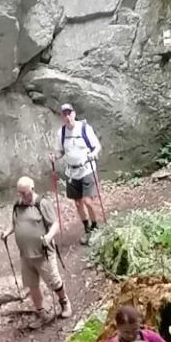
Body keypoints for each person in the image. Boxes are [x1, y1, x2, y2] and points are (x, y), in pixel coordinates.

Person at [4, 176, 69, 320]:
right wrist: (7, 232)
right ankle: (42, 312)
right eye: (20, 193)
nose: (22, 196)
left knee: (53, 281)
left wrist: (48, 237)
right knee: (32, 284)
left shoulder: (42, 204)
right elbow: (14, 223)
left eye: (25, 193)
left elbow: (55, 224)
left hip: (43, 252)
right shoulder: (17, 205)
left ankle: (64, 302)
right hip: (25, 254)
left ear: (32, 189)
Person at [54, 101, 101, 241]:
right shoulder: (61, 132)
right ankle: (87, 228)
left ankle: (95, 226)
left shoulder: (85, 128)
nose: (67, 117)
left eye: (69, 113)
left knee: (87, 201)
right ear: (62, 117)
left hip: (87, 169)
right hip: (71, 173)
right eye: (64, 114)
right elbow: (60, 151)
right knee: (78, 203)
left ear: (74, 114)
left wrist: (93, 154)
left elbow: (97, 146)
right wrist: (54, 156)